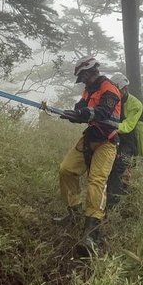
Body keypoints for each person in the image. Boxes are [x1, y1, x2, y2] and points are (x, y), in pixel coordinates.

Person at [54, 55, 122, 254]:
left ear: (91, 71)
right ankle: (73, 212)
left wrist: (83, 114)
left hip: (107, 142)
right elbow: (81, 108)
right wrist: (72, 114)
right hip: (90, 137)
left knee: (96, 181)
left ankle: (92, 232)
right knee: (66, 169)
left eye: (83, 76)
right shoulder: (89, 90)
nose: (83, 81)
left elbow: (101, 113)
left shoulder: (110, 89)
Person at [106, 73, 143, 210]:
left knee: (119, 167)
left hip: (129, 139)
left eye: (120, 89)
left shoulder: (136, 104)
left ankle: (113, 203)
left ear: (125, 89)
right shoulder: (111, 99)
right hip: (112, 135)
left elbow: (129, 125)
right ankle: (115, 197)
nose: (118, 92)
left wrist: (111, 126)